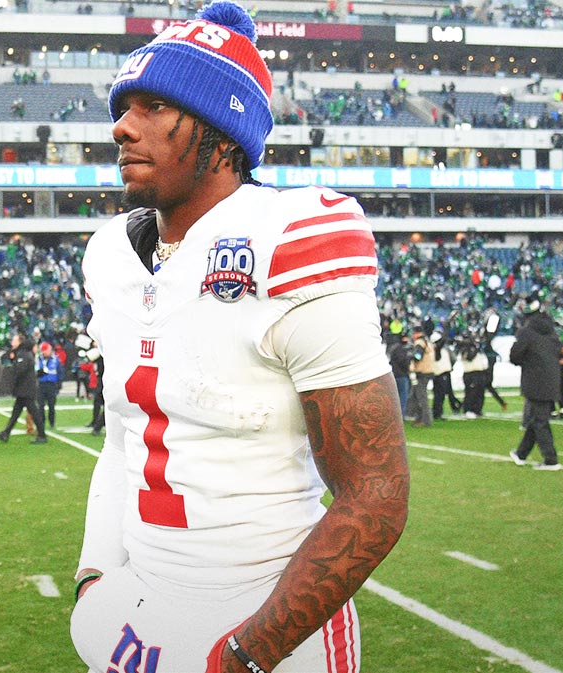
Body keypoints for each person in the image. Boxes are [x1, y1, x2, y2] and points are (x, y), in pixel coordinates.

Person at [71, 4, 410, 672]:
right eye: (122, 105)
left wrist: (249, 653)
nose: (120, 125)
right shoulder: (109, 254)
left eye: (152, 105)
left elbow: (376, 489)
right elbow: (125, 436)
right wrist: (93, 575)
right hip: (140, 613)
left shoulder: (292, 238)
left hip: (268, 620)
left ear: (222, 129)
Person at [508, 300, 563, 470]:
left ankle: (551, 459)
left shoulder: (527, 332)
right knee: (536, 419)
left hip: (534, 380)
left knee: (539, 421)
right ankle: (521, 453)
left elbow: (515, 356)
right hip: (552, 379)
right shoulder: (552, 332)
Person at [0, 334, 47, 444]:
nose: (12, 342)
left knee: (34, 412)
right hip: (24, 389)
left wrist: (14, 362)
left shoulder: (23, 354)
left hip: (25, 389)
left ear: (19, 342)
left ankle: (42, 435)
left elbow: (19, 370)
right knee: (16, 413)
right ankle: (6, 433)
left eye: (14, 340)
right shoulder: (23, 353)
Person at [410, 328, 435, 426]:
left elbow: (417, 356)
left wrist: (410, 357)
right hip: (428, 370)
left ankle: (425, 420)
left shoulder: (419, 343)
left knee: (421, 396)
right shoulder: (427, 342)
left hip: (422, 371)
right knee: (417, 395)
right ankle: (419, 418)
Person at [387, 332, 412, 417]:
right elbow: (403, 362)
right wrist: (408, 366)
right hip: (401, 375)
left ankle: (394, 415)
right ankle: (401, 416)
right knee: (403, 397)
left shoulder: (394, 348)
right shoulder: (401, 349)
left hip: (395, 374)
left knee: (395, 397)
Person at [36, 341, 61, 427]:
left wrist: (59, 385)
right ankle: (41, 423)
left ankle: (52, 423)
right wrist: (41, 372)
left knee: (51, 406)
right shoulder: (39, 359)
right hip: (42, 385)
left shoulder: (56, 359)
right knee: (40, 406)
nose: (45, 352)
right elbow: (36, 372)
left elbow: (60, 372)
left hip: (52, 385)